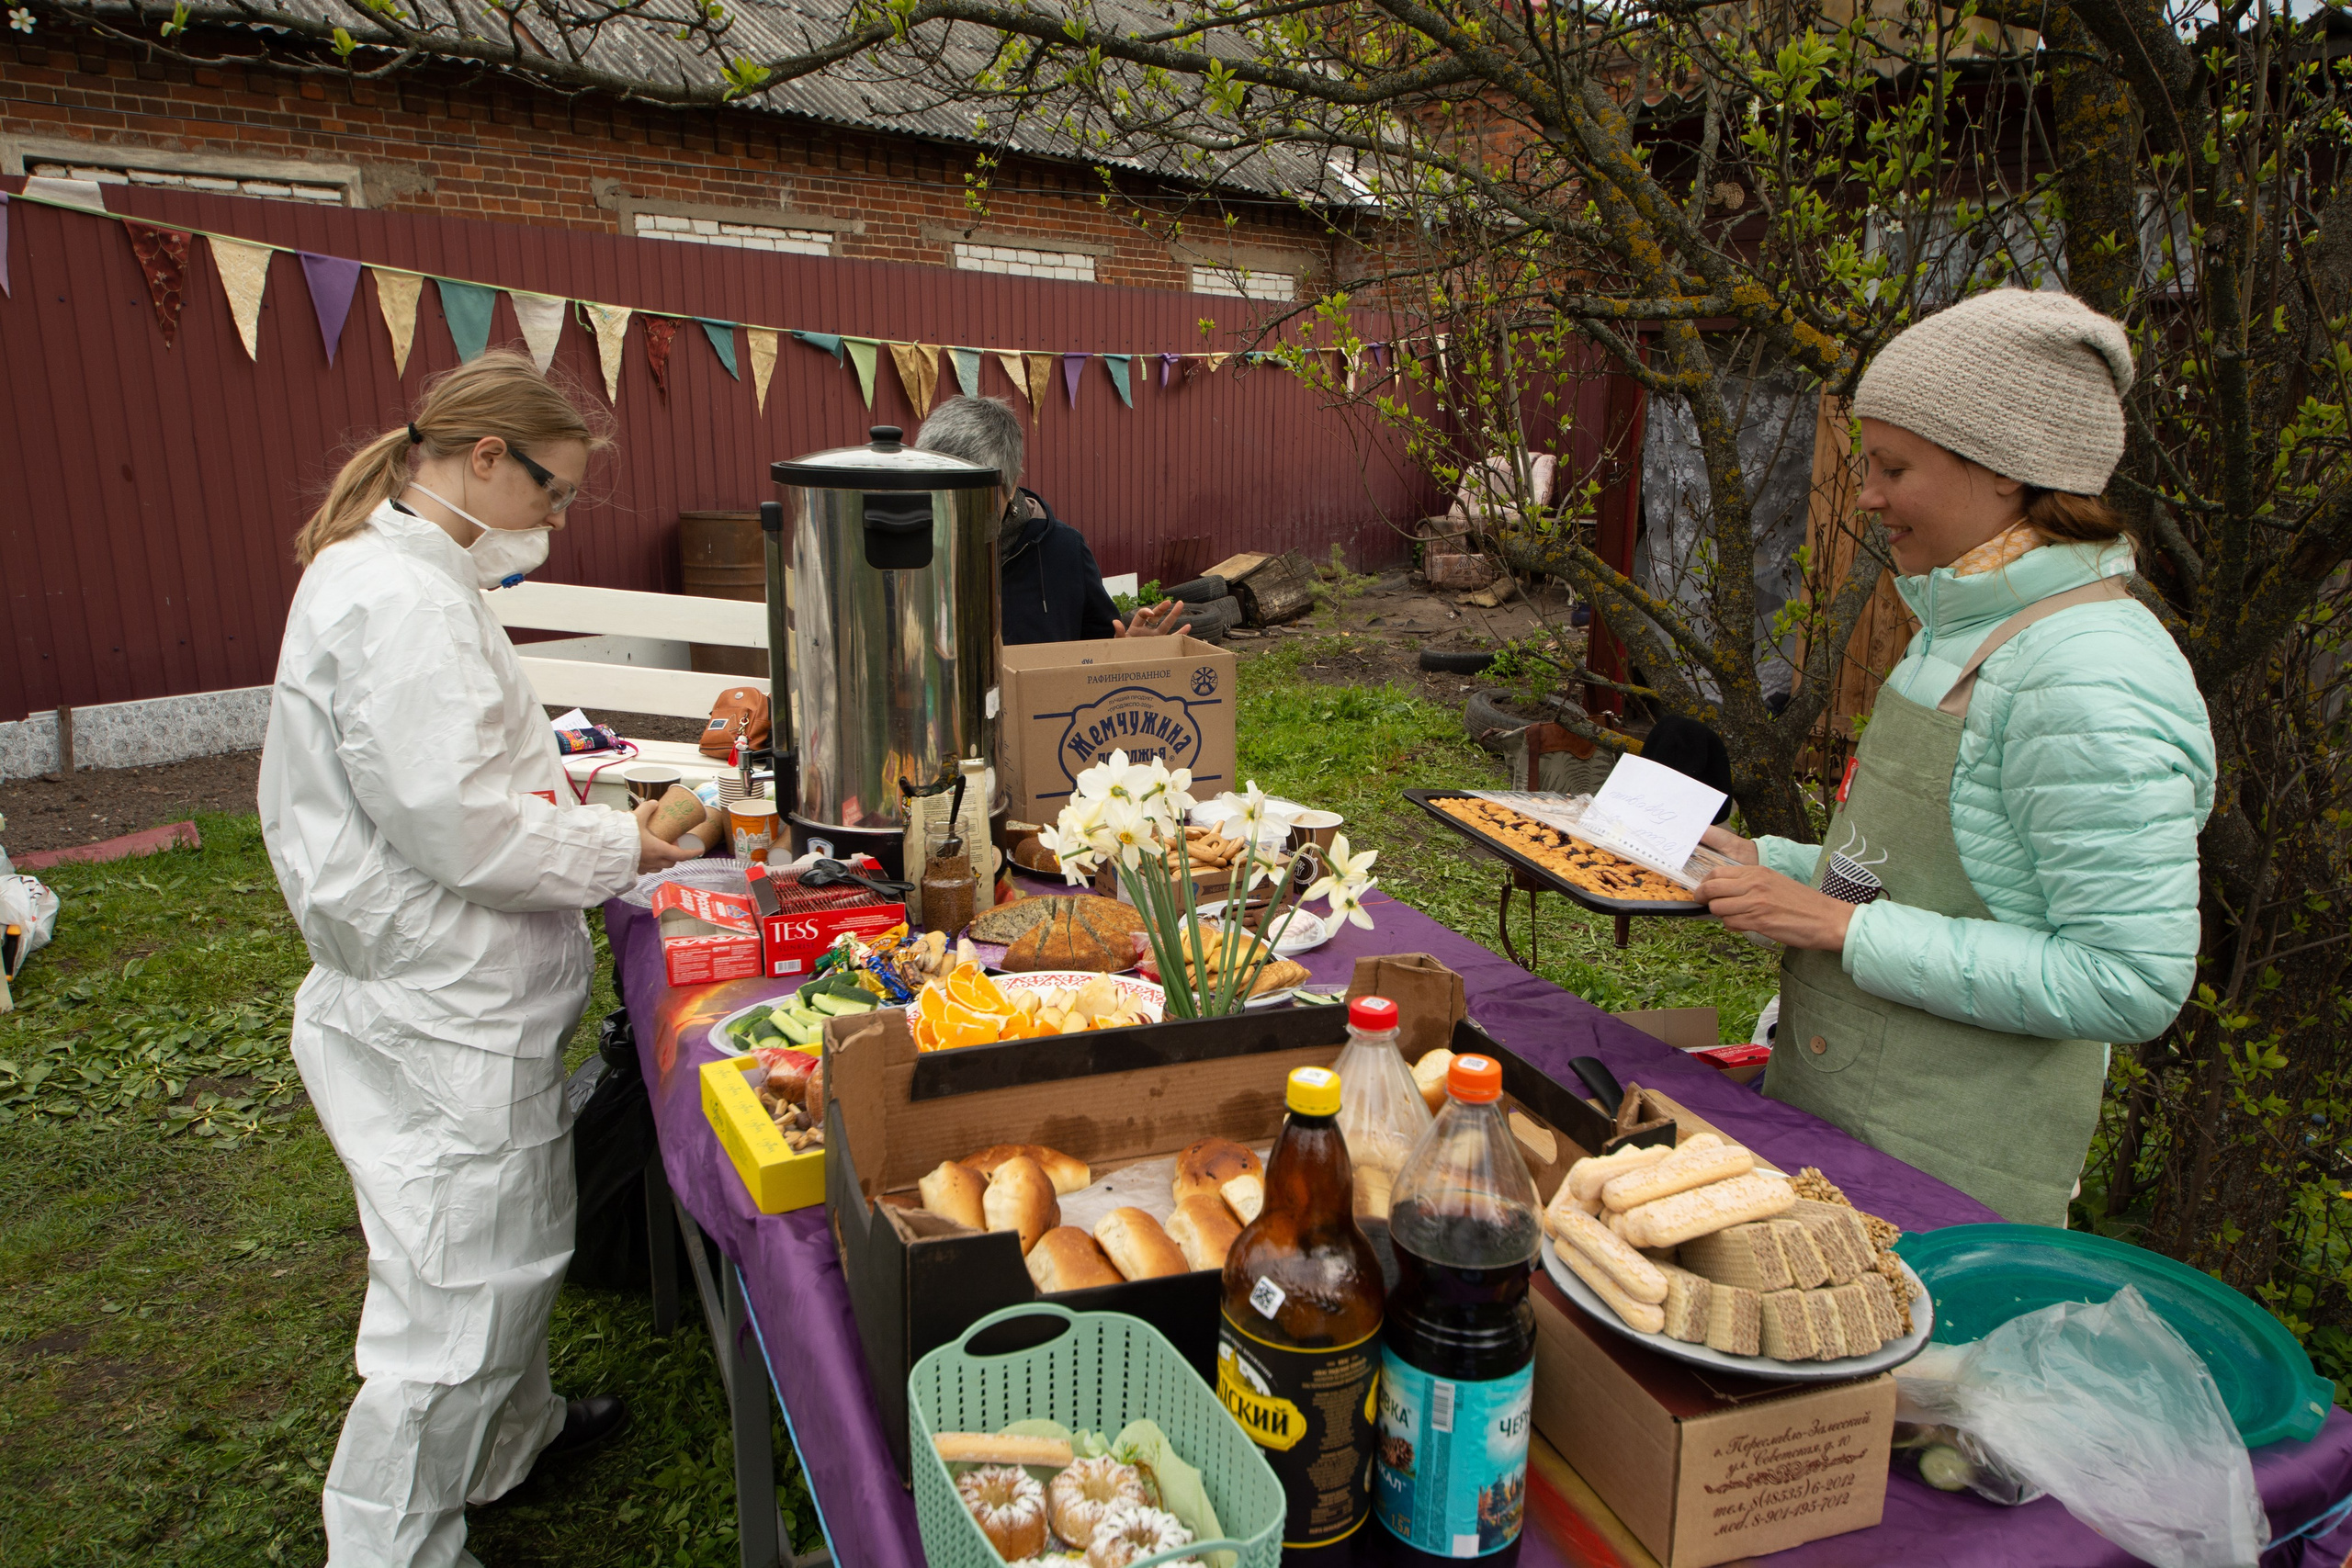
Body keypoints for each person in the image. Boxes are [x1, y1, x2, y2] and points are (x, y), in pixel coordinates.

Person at [258, 350, 696, 1567]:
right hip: (437, 1002)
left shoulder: (409, 579)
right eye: (554, 491)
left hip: (452, 990)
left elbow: (462, 773)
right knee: (457, 1294)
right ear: (485, 457)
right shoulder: (401, 601)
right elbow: (464, 826)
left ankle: (511, 1440)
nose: (557, 520)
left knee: (511, 1238)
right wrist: (621, 843)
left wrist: (579, 796)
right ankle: (390, 1545)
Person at [1695, 290, 2214, 1227]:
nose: (1867, 495)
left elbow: (2129, 980)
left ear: (2007, 472)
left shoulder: (2088, 674)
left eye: (1894, 467)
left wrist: (1838, 928)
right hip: (1846, 1125)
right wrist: (1771, 865)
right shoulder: (1964, 629)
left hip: (1947, 1180)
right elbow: (1927, 884)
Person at [913, 395, 1183, 643]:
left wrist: (1128, 648)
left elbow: (1100, 646)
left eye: (973, 498)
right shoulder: (904, 554)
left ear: (1011, 484)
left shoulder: (1065, 551)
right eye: (939, 494)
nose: (953, 511)